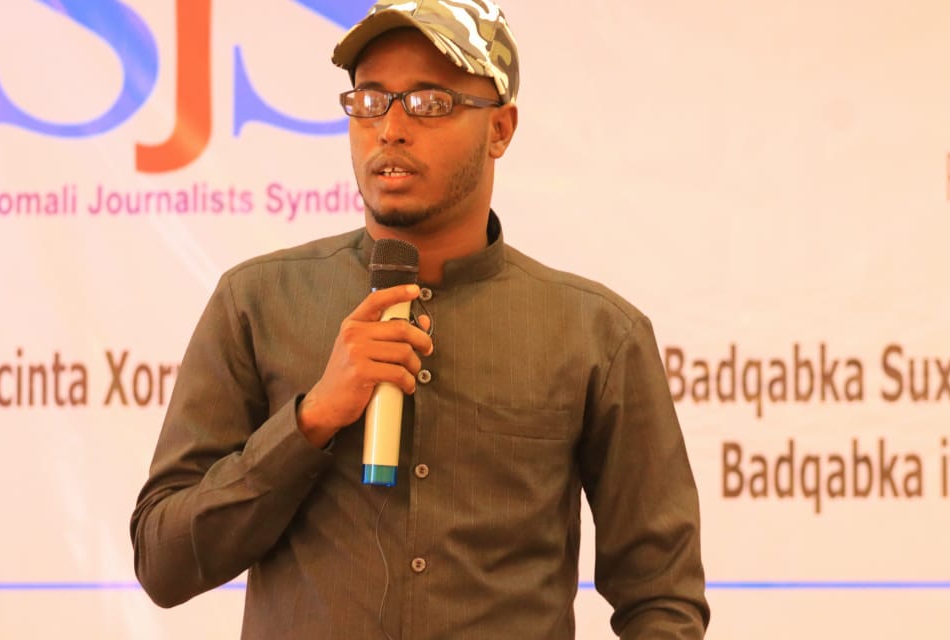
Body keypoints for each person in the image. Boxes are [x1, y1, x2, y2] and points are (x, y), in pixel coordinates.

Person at [130, 1, 710, 638]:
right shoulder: (258, 301)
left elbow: (662, 599)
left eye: (430, 102)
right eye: (371, 101)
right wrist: (310, 419)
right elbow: (163, 562)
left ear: (500, 129)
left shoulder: (599, 334)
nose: (391, 129)